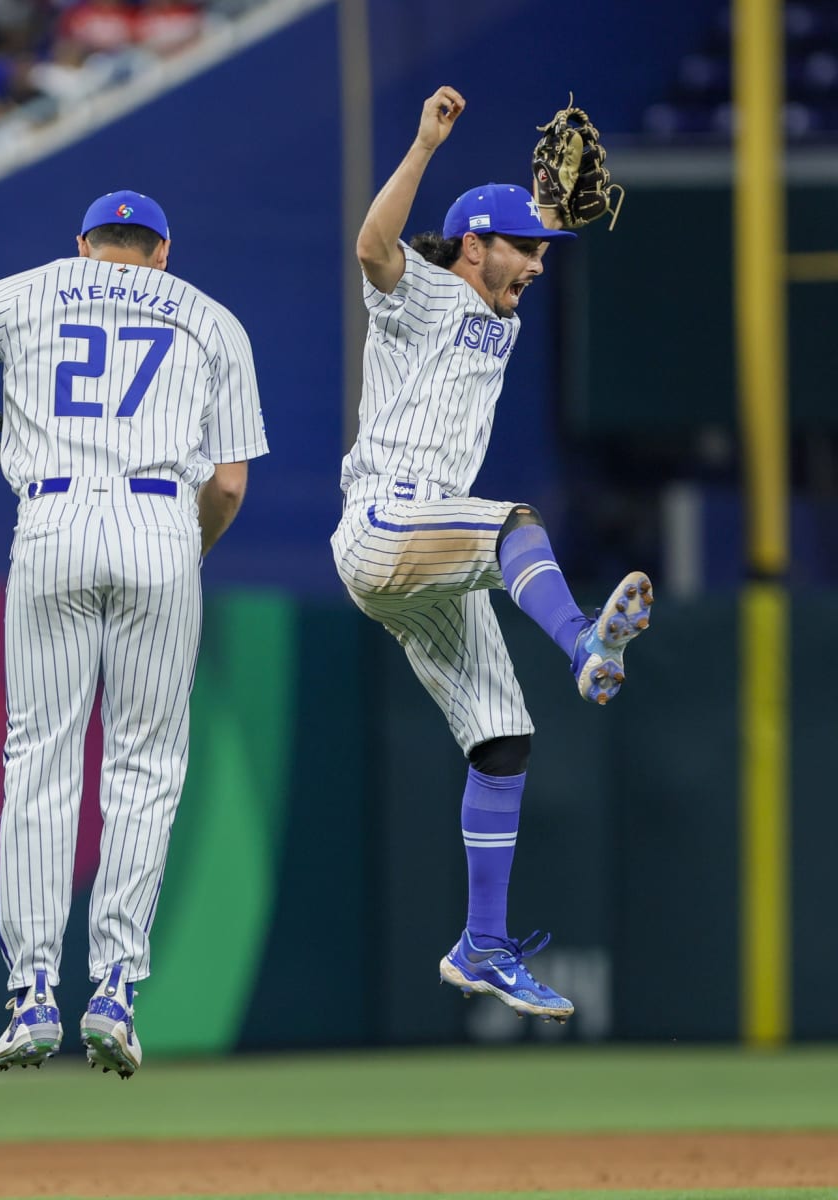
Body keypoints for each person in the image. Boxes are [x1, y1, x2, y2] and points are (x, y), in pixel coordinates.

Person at [0, 189, 267, 1076]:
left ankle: (29, 995)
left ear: (84, 244)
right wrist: (181, 555)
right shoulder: (214, 322)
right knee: (145, 764)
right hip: (164, 526)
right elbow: (232, 486)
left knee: (40, 760)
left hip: (50, 525)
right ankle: (118, 989)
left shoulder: (21, 292)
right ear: (161, 253)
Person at [331, 85, 652, 1023]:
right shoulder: (419, 289)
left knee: (503, 739)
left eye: (543, 254)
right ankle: (586, 646)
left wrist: (541, 212)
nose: (541, 269)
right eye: (527, 253)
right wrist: (427, 145)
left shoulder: (498, 307)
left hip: (427, 565)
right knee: (516, 521)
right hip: (388, 525)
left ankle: (482, 944)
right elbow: (371, 246)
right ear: (473, 245)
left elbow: (512, 240)